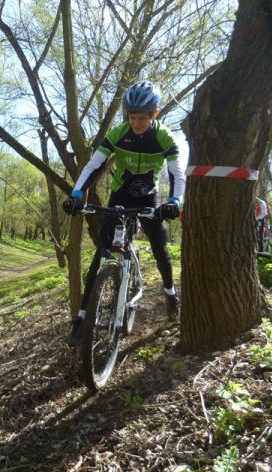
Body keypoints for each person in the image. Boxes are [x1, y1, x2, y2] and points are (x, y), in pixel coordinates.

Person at [63, 80, 186, 346]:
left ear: (155, 114)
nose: (137, 123)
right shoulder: (119, 133)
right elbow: (94, 165)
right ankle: (82, 318)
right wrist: (76, 194)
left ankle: (170, 292)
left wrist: (175, 200)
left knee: (160, 249)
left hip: (148, 197)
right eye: (132, 117)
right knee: (99, 258)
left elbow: (176, 172)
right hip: (119, 195)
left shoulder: (164, 136)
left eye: (143, 117)